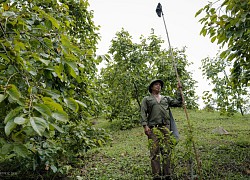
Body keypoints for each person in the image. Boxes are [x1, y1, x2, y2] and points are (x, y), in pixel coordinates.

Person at [141, 79, 183, 180]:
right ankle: (156, 176)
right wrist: (145, 126)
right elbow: (143, 113)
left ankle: (167, 175)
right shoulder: (147, 99)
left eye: (159, 85)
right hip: (153, 129)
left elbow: (178, 102)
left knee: (166, 151)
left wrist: (179, 90)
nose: (158, 86)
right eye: (156, 84)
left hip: (166, 128)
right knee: (154, 152)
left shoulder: (165, 98)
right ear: (151, 87)